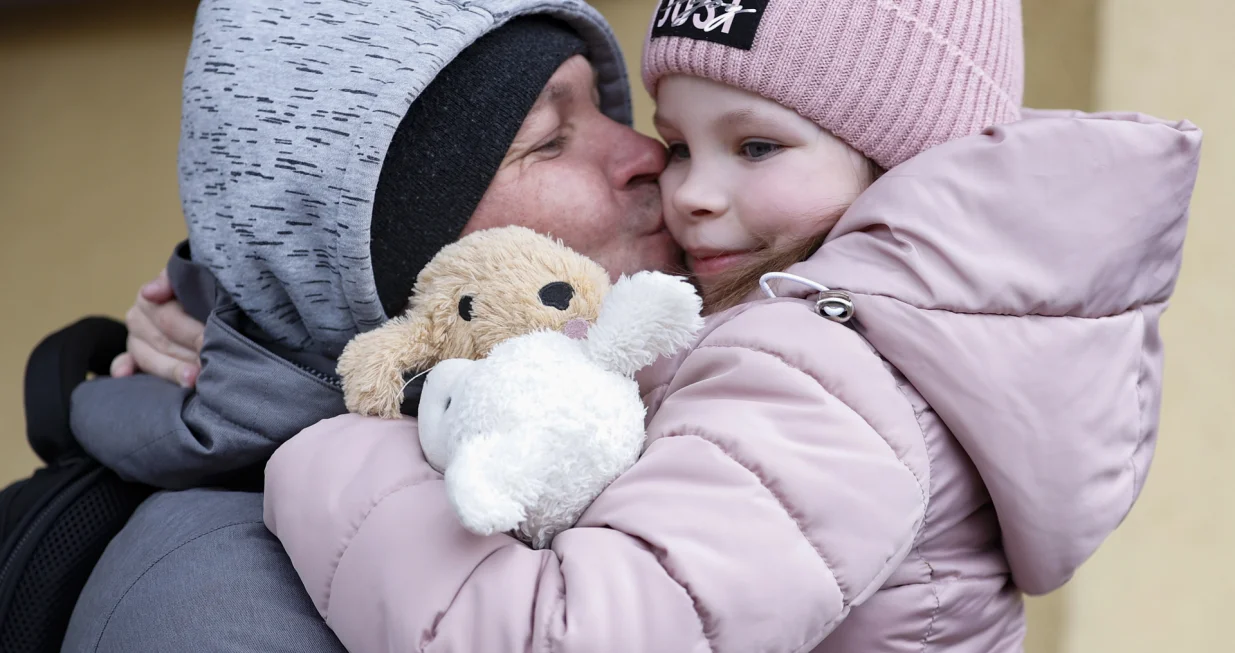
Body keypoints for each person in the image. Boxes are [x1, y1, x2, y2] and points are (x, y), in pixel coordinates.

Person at [253, 0, 1201, 651]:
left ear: (901, 158)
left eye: (755, 146)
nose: (690, 193)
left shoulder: (820, 372)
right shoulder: (844, 333)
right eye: (679, 143)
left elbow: (575, 635)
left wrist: (336, 448)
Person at [60, 1, 678, 651]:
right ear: (369, 254)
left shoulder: (657, 393)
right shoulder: (214, 612)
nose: (650, 151)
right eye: (549, 139)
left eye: (605, 107)